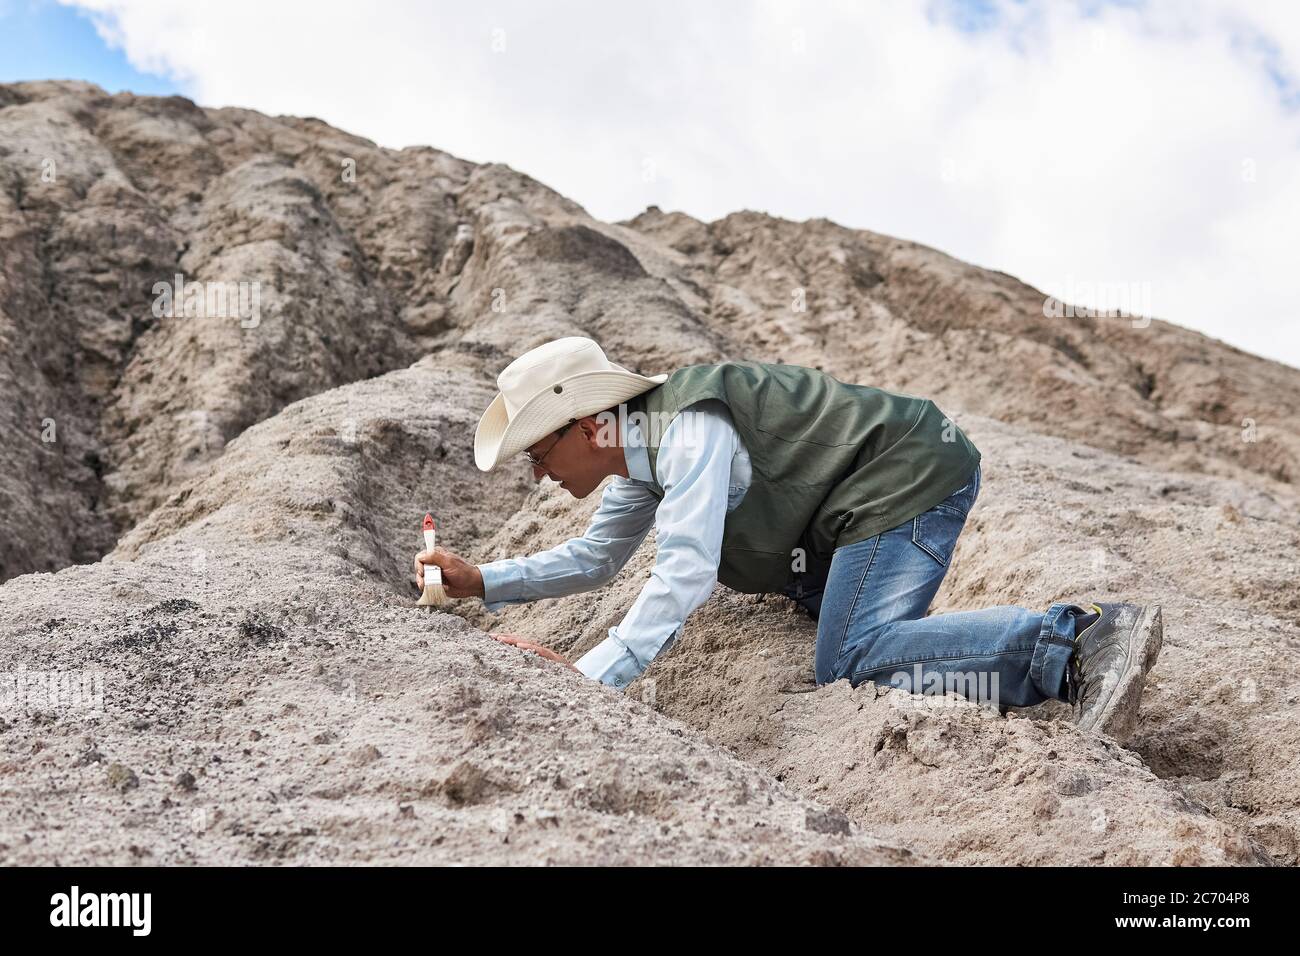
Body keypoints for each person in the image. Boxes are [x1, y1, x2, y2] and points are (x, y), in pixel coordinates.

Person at [415, 337, 1162, 742]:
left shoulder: (686, 432)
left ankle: (1072, 640)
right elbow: (599, 557)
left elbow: (684, 571)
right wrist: (483, 579)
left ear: (585, 427)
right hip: (846, 513)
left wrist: (589, 680)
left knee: (851, 659)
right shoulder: (638, 453)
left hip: (904, 479)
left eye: (540, 454)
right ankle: (1056, 672)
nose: (541, 476)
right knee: (842, 636)